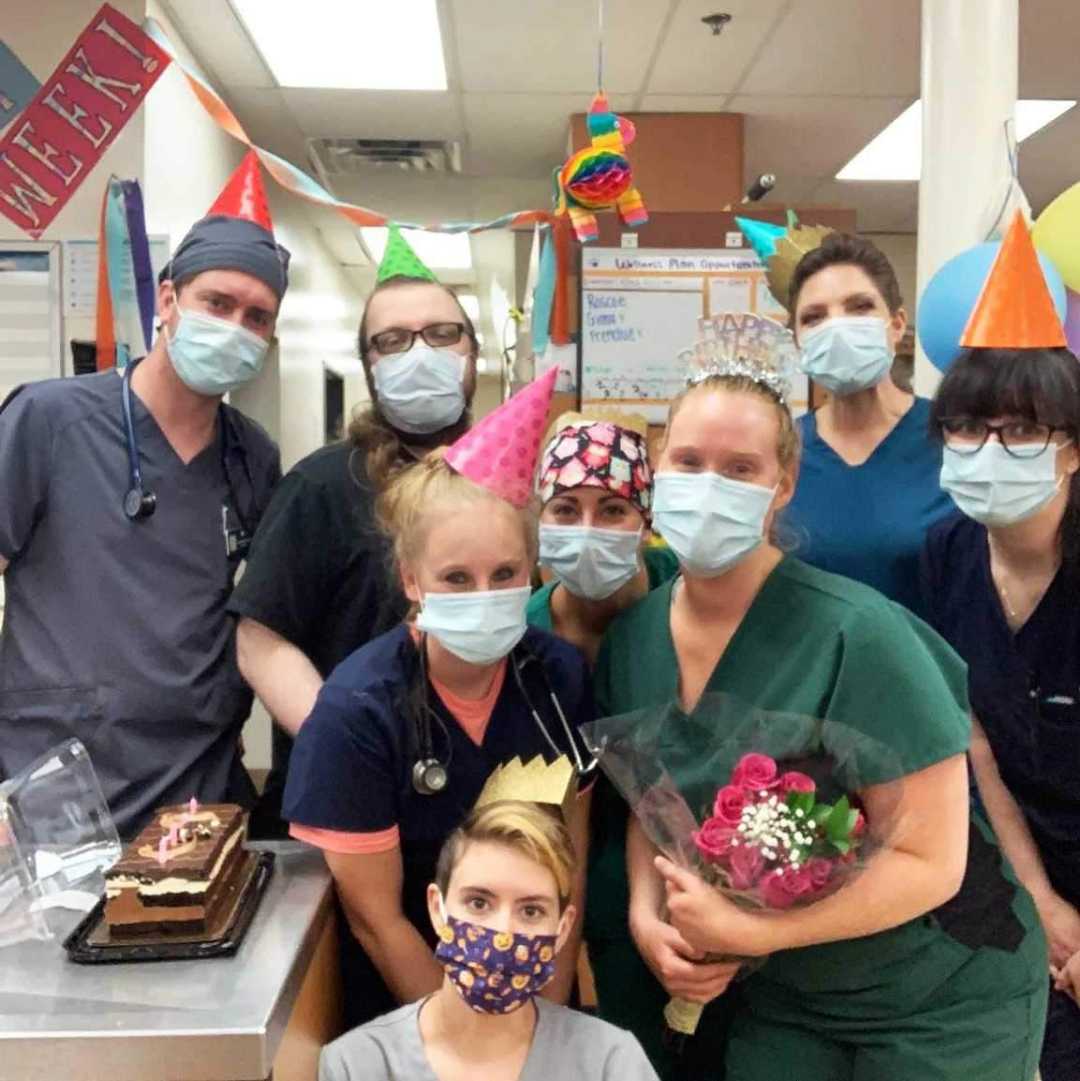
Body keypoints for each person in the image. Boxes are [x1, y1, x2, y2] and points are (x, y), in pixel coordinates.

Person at [589, 349, 1047, 1079]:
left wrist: (749, 925)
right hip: (790, 995)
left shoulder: (860, 635)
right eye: (689, 460)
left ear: (783, 485)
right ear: (656, 469)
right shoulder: (634, 640)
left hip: (944, 993)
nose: (710, 486)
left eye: (740, 469)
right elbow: (653, 802)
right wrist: (649, 913)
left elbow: (933, 862)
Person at [282, 369, 596, 1029]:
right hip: (406, 1004)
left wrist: (548, 1026)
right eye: (456, 577)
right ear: (410, 578)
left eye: (504, 574)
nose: (484, 593)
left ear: (532, 569)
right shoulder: (359, 713)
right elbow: (377, 919)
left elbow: (570, 864)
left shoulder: (558, 680)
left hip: (538, 1001)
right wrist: (469, 1046)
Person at [0, 152, 286, 837]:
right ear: (167, 301)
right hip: (46, 789)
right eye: (218, 303)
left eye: (257, 317)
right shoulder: (50, 421)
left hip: (197, 792)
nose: (236, 329)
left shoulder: (253, 458)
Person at [229, 226, 479, 838]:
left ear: (473, 350)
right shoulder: (321, 486)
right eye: (392, 341)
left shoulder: (504, 478)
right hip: (344, 801)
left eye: (443, 334)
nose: (420, 352)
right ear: (368, 367)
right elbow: (260, 638)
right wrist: (343, 740)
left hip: (477, 800)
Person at [921, 214, 1080, 1081]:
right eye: (968, 428)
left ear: (1073, 448)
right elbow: (972, 738)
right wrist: (1046, 904)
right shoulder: (946, 555)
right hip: (1014, 886)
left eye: (1023, 432)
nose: (990, 452)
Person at [319, 793, 659, 1081]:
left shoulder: (609, 1062)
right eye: (479, 903)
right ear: (437, 909)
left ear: (563, 928)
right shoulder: (358, 1065)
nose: (503, 932)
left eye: (530, 911)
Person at [782, 232, 954, 615]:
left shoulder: (954, 438)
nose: (837, 327)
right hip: (811, 670)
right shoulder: (780, 452)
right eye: (814, 317)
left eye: (859, 307)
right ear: (797, 341)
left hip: (928, 669)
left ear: (896, 324)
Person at [528, 410, 677, 663]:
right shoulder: (525, 633)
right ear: (540, 521)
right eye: (565, 510)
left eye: (612, 511)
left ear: (647, 523)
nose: (587, 531)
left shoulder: (681, 583)